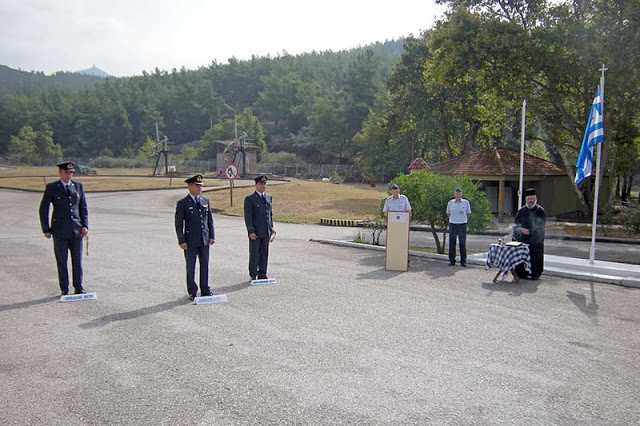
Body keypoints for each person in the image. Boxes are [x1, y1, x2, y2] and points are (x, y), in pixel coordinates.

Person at [39, 161, 89, 295]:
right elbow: (44, 209)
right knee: (62, 261)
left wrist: (85, 226)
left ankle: (78, 287)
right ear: (60, 173)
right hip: (60, 231)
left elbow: (82, 208)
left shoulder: (78, 186)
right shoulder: (52, 187)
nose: (69, 175)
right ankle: (64, 289)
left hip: (76, 230)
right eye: (66, 172)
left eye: (71, 173)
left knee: (77, 261)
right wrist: (46, 229)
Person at [175, 174, 215, 300]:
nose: (199, 188)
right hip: (190, 241)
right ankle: (192, 291)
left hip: (204, 239)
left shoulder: (205, 201)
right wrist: (181, 240)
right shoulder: (183, 203)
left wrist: (212, 236)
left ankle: (205, 289)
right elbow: (178, 223)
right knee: (191, 266)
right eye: (197, 186)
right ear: (190, 186)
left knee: (205, 264)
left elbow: (210, 220)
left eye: (200, 186)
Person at [244, 175, 276, 281]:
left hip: (266, 230)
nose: (263, 185)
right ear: (256, 185)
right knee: (254, 253)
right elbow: (248, 216)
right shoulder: (250, 199)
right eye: (261, 183)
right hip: (256, 231)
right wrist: (250, 231)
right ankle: (253, 273)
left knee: (264, 252)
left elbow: (269, 214)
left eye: (264, 183)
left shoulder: (268, 197)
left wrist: (272, 227)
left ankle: (262, 272)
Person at [514, 188, 546, 279]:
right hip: (523, 238)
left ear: (535, 199)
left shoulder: (540, 210)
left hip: (535, 239)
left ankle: (535, 274)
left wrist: (530, 231)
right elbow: (516, 223)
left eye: (531, 199)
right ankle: (521, 273)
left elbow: (541, 226)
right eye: (528, 199)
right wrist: (521, 230)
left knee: (535, 255)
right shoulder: (522, 210)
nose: (530, 201)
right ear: (526, 200)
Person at [446, 187, 472, 267]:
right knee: (452, 243)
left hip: (462, 224)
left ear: (461, 194)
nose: (458, 195)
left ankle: (463, 261)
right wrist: (454, 219)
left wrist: (462, 220)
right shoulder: (450, 202)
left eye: (459, 194)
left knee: (462, 243)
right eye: (456, 194)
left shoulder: (466, 202)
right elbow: (448, 213)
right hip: (453, 224)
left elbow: (468, 214)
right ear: (454, 194)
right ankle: (452, 261)